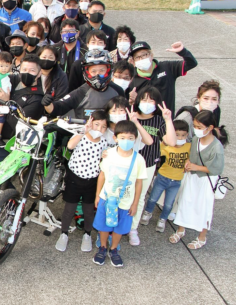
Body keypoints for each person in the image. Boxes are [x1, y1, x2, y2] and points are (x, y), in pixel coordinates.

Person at [0, 55, 45, 203]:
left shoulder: (37, 98)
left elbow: (19, 124)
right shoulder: (8, 78)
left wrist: (7, 103)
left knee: (2, 173)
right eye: (24, 69)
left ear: (39, 73)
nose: (27, 72)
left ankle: (9, 199)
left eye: (32, 70)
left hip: (5, 142)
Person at [56, 111, 113, 253]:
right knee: (69, 209)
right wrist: (83, 131)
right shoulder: (81, 136)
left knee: (88, 211)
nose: (99, 129)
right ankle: (64, 233)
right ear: (90, 122)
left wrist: (107, 155)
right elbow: (70, 145)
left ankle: (87, 234)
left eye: (103, 127)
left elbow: (106, 158)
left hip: (91, 181)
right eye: (97, 124)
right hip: (74, 179)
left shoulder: (104, 142)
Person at [92, 120, 147, 267]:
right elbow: (102, 175)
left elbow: (139, 183)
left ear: (135, 139)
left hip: (126, 202)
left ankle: (114, 249)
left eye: (130, 138)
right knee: (104, 226)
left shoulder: (139, 160)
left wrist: (135, 204)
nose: (126, 141)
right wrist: (98, 195)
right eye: (122, 138)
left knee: (120, 228)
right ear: (115, 138)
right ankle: (103, 247)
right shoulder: (108, 154)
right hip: (107, 199)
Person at [127, 86, 177, 246]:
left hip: (148, 164)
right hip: (127, 163)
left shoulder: (159, 120)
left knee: (139, 197)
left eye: (152, 100)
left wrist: (168, 119)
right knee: (123, 195)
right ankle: (120, 225)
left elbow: (171, 141)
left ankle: (133, 228)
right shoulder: (131, 115)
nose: (147, 103)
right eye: (144, 99)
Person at [171, 111, 225, 249]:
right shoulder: (196, 139)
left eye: (200, 127)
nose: (196, 129)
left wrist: (195, 166)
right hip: (192, 177)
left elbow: (216, 169)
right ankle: (181, 229)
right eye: (195, 126)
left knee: (204, 207)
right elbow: (192, 155)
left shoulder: (216, 147)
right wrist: (188, 163)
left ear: (210, 128)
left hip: (206, 181)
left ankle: (202, 237)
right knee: (185, 201)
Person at [43, 49, 124, 120]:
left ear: (109, 71)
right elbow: (59, 108)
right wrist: (48, 104)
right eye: (93, 71)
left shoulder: (118, 91)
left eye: (102, 70)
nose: (97, 75)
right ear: (86, 73)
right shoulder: (80, 92)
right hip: (84, 134)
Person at [139, 119, 190, 233]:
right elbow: (156, 151)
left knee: (168, 204)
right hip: (162, 177)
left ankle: (163, 219)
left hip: (176, 181)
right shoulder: (166, 146)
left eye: (183, 135)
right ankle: (148, 212)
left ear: (187, 135)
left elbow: (192, 157)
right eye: (176, 135)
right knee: (152, 198)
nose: (180, 138)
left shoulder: (188, 147)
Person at [127, 41, 198, 114]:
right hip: (144, 123)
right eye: (137, 57)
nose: (141, 59)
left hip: (167, 121)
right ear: (133, 61)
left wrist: (182, 51)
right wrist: (133, 101)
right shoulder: (131, 79)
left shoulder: (167, 67)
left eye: (144, 55)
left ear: (151, 55)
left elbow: (191, 63)